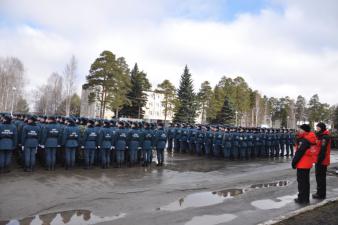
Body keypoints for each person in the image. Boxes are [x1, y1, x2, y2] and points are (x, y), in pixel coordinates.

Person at [292, 124, 317, 204]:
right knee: (305, 182)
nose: (299, 130)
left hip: (302, 163)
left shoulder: (305, 140)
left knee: (302, 182)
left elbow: (299, 152)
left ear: (305, 130)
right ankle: (305, 199)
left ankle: (301, 199)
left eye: (301, 129)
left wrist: (294, 162)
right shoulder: (311, 138)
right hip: (307, 163)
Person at [313, 122, 331, 199]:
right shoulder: (320, 136)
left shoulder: (324, 137)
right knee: (319, 177)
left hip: (322, 160)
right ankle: (319, 192)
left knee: (320, 177)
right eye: (316, 128)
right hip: (319, 159)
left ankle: (321, 194)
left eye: (318, 128)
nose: (317, 129)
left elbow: (323, 150)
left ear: (322, 128)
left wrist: (319, 160)